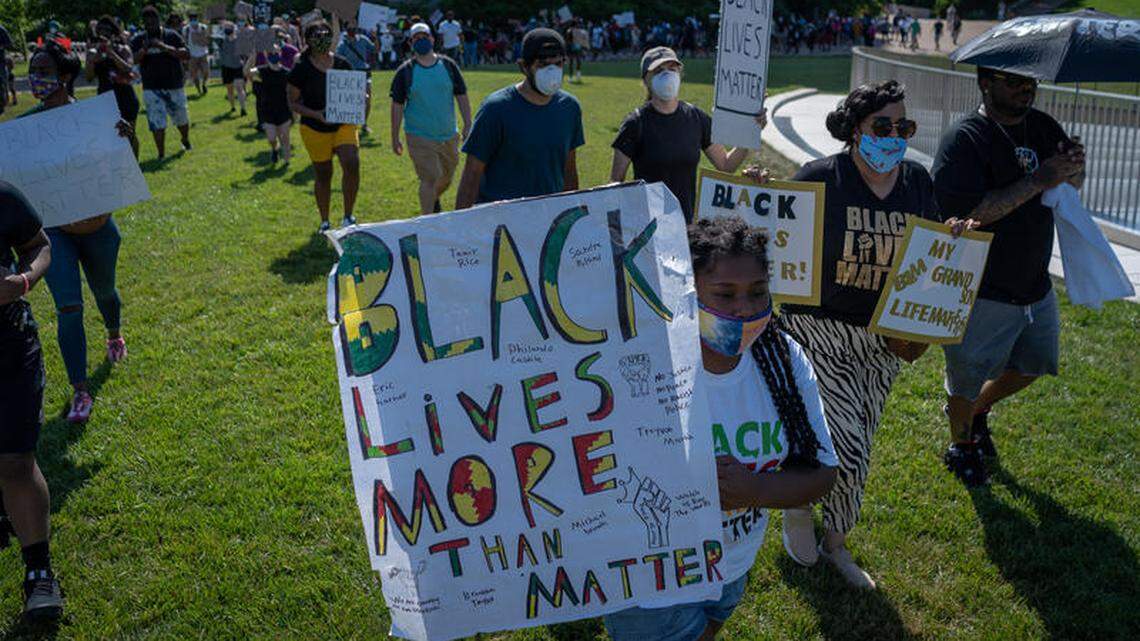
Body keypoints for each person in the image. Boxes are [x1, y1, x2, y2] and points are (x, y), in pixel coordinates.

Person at [603, 216, 838, 641]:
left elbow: (823, 473)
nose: (744, 309)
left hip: (731, 566)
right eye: (724, 294)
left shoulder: (783, 360)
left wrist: (755, 491)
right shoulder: (640, 361)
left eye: (758, 292)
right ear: (687, 292)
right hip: (650, 580)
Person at [777, 81, 952, 589]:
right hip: (818, 331)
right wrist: (762, 192)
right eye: (882, 126)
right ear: (855, 130)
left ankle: (833, 540)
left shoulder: (917, 181)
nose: (894, 136)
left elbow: (930, 256)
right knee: (846, 447)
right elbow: (771, 240)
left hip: (882, 342)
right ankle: (803, 510)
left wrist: (952, 243)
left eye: (904, 127)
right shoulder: (819, 178)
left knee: (860, 443)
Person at [932, 67, 1084, 486]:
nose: (1026, 88)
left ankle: (980, 410)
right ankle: (961, 446)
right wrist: (1039, 178)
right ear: (985, 82)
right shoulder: (964, 140)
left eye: (1030, 82)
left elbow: (1069, 186)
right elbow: (964, 216)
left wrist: (1073, 169)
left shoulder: (1043, 126)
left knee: (1034, 366)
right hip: (981, 288)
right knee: (964, 380)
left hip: (1035, 283)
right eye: (1013, 80)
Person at [25, 40, 134, 424]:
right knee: (68, 307)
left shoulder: (95, 117)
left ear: (65, 76)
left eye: (43, 71)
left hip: (98, 227)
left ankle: (114, 332)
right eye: (32, 71)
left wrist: (126, 136)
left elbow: (125, 163)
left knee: (105, 290)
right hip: (55, 232)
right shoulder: (29, 126)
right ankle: (80, 391)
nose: (35, 78)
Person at [610, 47, 767, 224]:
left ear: (680, 74)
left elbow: (726, 165)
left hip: (686, 227)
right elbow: (616, 181)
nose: (667, 75)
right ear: (646, 80)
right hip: (648, 229)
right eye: (659, 71)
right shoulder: (635, 123)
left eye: (672, 69)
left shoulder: (696, 117)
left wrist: (751, 130)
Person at [0, 180, 62, 622]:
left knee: (16, 462)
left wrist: (22, 281)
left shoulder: (1, 194)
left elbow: (39, 245)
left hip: (7, 343)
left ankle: (39, 574)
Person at [455, 28, 583, 209]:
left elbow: (569, 168)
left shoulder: (569, 108)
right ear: (523, 66)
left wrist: (572, 211)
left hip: (548, 219)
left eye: (558, 63)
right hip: (500, 221)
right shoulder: (496, 109)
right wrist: (461, 230)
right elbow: (472, 174)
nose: (552, 72)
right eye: (543, 64)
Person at [390, 23, 471, 215]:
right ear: (410, 43)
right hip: (419, 135)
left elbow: (461, 95)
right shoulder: (405, 72)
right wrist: (395, 137)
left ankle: (433, 198)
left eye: (424, 36)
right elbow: (397, 106)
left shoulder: (449, 66)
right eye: (416, 38)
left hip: (449, 134)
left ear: (433, 39)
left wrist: (468, 123)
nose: (421, 40)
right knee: (429, 177)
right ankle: (428, 222)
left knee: (447, 176)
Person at [288, 20, 361, 232]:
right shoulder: (301, 69)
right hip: (314, 127)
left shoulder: (343, 64)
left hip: (343, 124)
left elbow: (355, 94)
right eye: (316, 34)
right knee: (323, 173)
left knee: (351, 162)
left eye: (325, 34)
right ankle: (325, 221)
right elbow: (293, 102)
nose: (322, 38)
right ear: (308, 40)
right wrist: (317, 115)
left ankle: (348, 217)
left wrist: (361, 99)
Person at [130, 5, 192, 158]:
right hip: (151, 87)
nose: (150, 24)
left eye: (153, 21)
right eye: (147, 22)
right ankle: (161, 154)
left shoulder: (171, 35)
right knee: (157, 123)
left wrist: (163, 46)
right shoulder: (139, 39)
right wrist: (143, 50)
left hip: (174, 84)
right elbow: (132, 60)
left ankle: (185, 139)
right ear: (144, 23)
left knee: (181, 119)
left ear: (159, 20)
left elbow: (186, 54)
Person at [86, 16, 140, 157]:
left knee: (129, 134)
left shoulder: (123, 48)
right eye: (101, 30)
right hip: (105, 98)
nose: (104, 33)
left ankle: (135, 165)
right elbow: (89, 77)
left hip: (125, 97)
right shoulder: (93, 52)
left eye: (107, 30)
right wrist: (91, 60)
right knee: (110, 137)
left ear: (114, 32)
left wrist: (111, 53)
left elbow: (128, 68)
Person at [245, 43, 293, 165]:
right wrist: (252, 57)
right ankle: (275, 149)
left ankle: (286, 161)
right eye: (271, 53)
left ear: (280, 54)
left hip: (284, 110)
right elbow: (246, 72)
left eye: (276, 53)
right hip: (267, 110)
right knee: (272, 138)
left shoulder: (286, 72)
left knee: (285, 137)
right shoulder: (262, 71)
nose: (274, 55)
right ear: (266, 55)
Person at [336, 21, 375, 135]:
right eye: (350, 27)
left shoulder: (363, 39)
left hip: (364, 72)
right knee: (352, 102)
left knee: (367, 100)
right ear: (346, 28)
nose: (353, 28)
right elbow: (337, 57)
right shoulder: (342, 43)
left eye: (354, 26)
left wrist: (375, 37)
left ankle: (364, 124)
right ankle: (351, 125)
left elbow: (375, 49)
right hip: (350, 74)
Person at [218, 22, 248, 115]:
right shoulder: (221, 40)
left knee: (239, 88)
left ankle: (243, 108)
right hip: (226, 67)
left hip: (238, 66)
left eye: (229, 28)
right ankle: (233, 107)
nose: (227, 29)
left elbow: (245, 53)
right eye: (226, 28)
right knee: (230, 89)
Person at [183, 11, 210, 95]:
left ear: (197, 19)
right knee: (194, 75)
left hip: (203, 53)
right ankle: (199, 90)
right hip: (192, 54)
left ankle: (204, 84)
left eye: (195, 18)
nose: (194, 20)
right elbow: (184, 41)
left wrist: (200, 39)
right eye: (192, 19)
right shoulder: (186, 29)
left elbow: (207, 40)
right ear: (189, 20)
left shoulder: (203, 27)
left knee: (206, 71)